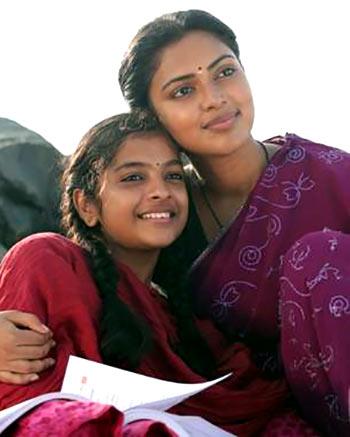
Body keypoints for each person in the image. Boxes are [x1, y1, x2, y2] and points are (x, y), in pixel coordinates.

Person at [116, 10, 350, 435]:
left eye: (225, 72)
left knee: (319, 257)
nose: (214, 97)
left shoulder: (334, 175)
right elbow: (86, 276)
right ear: (152, 117)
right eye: (184, 90)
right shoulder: (162, 210)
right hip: (262, 415)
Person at [0, 111, 305, 436]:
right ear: (87, 205)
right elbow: (23, 403)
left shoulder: (185, 318)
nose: (160, 191)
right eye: (133, 178)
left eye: (173, 176)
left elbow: (250, 395)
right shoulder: (49, 260)